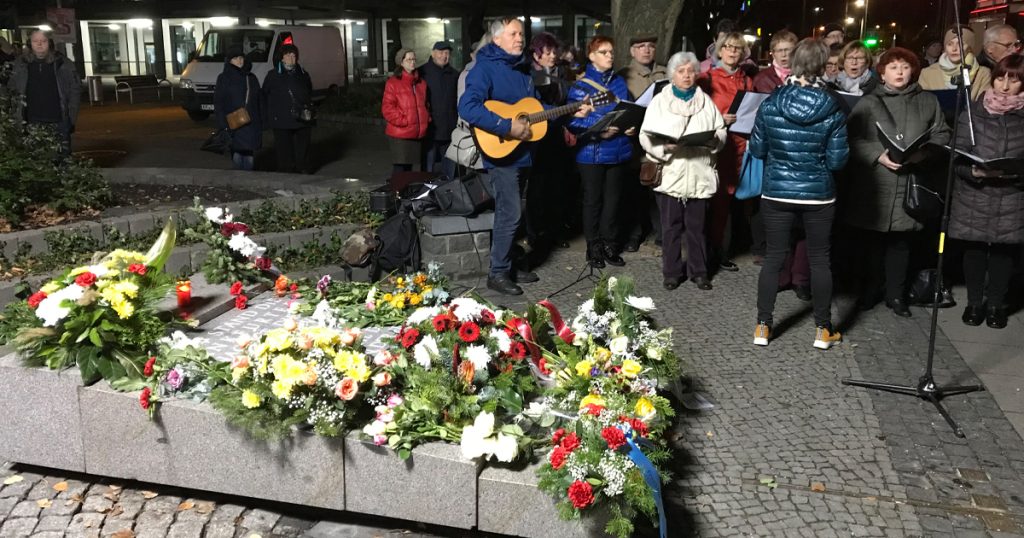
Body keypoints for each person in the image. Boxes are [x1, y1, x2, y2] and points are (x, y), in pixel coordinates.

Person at [459, 17, 592, 295]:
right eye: (513, 34)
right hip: (501, 153)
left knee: (515, 213)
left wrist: (569, 111)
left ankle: (508, 264)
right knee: (510, 213)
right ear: (497, 39)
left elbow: (533, 110)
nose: (520, 38)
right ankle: (497, 273)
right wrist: (506, 126)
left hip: (523, 153)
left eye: (521, 33)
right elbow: (468, 107)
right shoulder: (484, 69)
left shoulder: (521, 70)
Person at [748, 38, 849, 350]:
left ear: (792, 63)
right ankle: (823, 330)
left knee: (774, 257)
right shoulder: (834, 107)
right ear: (822, 66)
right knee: (820, 259)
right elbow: (837, 161)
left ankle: (763, 326)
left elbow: (757, 149)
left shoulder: (770, 103)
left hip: (776, 191)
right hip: (818, 194)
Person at [844, 47, 951, 317]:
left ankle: (896, 295)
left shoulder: (927, 101)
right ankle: (870, 291)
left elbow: (942, 134)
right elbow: (851, 137)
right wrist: (877, 156)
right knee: (873, 244)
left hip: (910, 182)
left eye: (904, 67)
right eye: (893, 67)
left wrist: (923, 154)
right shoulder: (869, 103)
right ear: (882, 74)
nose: (900, 72)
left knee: (901, 246)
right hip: (876, 185)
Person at [949, 54, 1024, 329]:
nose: (1005, 86)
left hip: (1012, 196)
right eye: (1001, 78)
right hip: (975, 194)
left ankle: (996, 305)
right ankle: (974, 303)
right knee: (975, 250)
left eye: (1013, 81)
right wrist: (974, 172)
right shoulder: (972, 113)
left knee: (1004, 253)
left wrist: (1015, 173)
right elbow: (955, 157)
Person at [640, 52, 726, 291]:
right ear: (672, 75)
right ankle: (671, 272)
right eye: (681, 71)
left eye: (690, 71)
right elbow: (645, 135)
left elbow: (720, 131)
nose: (687, 76)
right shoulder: (659, 101)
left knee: (697, 227)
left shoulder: (705, 101)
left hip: (699, 172)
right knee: (671, 227)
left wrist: (713, 142)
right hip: (671, 172)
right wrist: (664, 147)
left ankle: (699, 272)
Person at [752, 29, 811, 300]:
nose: (786, 55)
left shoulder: (808, 79)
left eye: (791, 50)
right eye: (781, 50)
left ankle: (800, 276)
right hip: (775, 155)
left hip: (803, 156)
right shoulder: (762, 79)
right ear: (772, 53)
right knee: (779, 221)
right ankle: (781, 274)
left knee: (803, 222)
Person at [567, 36, 634, 269]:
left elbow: (625, 108)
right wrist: (600, 128)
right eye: (603, 52)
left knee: (613, 202)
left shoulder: (619, 83)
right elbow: (574, 122)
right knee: (593, 201)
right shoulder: (581, 86)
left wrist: (630, 124)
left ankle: (609, 245)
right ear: (591, 56)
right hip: (592, 152)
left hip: (618, 149)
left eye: (611, 52)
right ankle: (593, 247)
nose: (609, 56)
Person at [700, 31, 753, 273]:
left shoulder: (746, 79)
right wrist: (719, 118)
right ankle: (708, 253)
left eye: (737, 48)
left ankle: (722, 251)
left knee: (731, 204)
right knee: (713, 202)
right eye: (728, 47)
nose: (733, 51)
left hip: (740, 146)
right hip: (715, 146)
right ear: (719, 50)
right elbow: (696, 113)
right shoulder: (707, 78)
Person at [619, 34, 668, 252]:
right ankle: (635, 233)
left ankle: (662, 233)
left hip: (660, 138)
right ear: (632, 51)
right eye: (640, 46)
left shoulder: (666, 73)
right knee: (635, 190)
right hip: (634, 140)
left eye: (650, 46)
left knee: (660, 188)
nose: (646, 50)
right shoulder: (623, 76)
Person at [528, 32, 573, 250]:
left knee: (558, 186)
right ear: (536, 55)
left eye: (555, 51)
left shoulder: (562, 73)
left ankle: (556, 231)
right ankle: (536, 233)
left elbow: (567, 100)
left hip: (556, 134)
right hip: (537, 137)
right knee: (537, 187)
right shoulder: (529, 75)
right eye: (548, 52)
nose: (553, 55)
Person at [8, 29, 80, 157]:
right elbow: (12, 90)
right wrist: (16, 117)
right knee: (34, 161)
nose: (39, 44)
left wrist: (71, 118)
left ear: (50, 43)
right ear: (30, 43)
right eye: (35, 41)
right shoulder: (21, 64)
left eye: (43, 41)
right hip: (31, 121)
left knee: (62, 160)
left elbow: (75, 91)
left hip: (59, 121)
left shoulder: (63, 63)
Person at [262, 43, 313, 173]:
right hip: (281, 118)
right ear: (282, 58)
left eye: (294, 55)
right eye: (288, 55)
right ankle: (286, 171)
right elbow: (265, 95)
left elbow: (308, 91)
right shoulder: (273, 75)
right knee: (284, 148)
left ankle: (302, 169)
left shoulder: (303, 73)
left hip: (301, 118)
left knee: (303, 146)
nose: (291, 57)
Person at [214, 45, 262, 170]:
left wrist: (261, 121)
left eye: (241, 57)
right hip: (233, 123)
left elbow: (259, 100)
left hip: (250, 122)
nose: (239, 61)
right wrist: (222, 124)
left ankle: (246, 181)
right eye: (235, 58)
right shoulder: (224, 78)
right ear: (229, 61)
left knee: (248, 156)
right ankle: (239, 182)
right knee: (236, 155)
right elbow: (219, 102)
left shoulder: (250, 78)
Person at [382, 48, 429, 174]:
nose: (412, 62)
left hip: (416, 132)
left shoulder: (421, 83)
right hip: (400, 134)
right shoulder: (393, 83)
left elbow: (424, 104)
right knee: (400, 168)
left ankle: (406, 192)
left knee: (410, 169)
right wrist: (405, 121)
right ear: (401, 62)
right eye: (409, 59)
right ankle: (396, 192)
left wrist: (426, 118)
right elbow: (387, 108)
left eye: (414, 59)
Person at [419, 41, 458, 178]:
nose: (444, 56)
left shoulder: (454, 75)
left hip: (449, 130)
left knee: (450, 171)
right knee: (428, 171)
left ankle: (448, 195)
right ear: (433, 53)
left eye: (447, 53)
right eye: (441, 52)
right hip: (430, 130)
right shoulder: (422, 73)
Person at [919, 26, 992, 101]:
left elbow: (983, 106)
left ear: (970, 47)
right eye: (949, 44)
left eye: (960, 44)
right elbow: (922, 104)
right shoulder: (927, 73)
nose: (954, 48)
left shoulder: (982, 74)